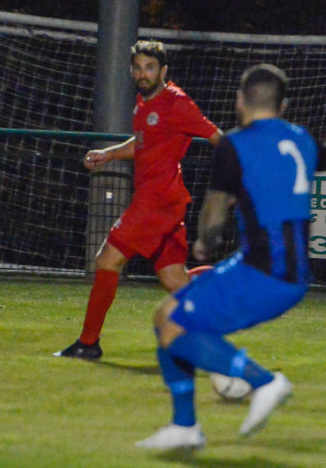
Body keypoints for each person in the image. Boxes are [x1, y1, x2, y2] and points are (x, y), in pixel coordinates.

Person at [136, 64, 325, 450]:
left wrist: (204, 244)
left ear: (239, 101)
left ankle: (262, 382)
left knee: (173, 325)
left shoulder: (234, 145)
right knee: (167, 316)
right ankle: (184, 428)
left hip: (263, 271)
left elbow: (214, 212)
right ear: (284, 104)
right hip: (292, 275)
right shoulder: (304, 140)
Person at [56, 40, 223, 360]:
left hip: (157, 202)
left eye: (150, 68)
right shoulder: (143, 104)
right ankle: (233, 279)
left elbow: (216, 136)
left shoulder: (177, 102)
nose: (143, 74)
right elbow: (144, 143)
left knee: (107, 259)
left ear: (163, 71)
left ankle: (88, 343)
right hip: (163, 200)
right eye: (138, 67)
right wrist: (108, 154)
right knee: (177, 280)